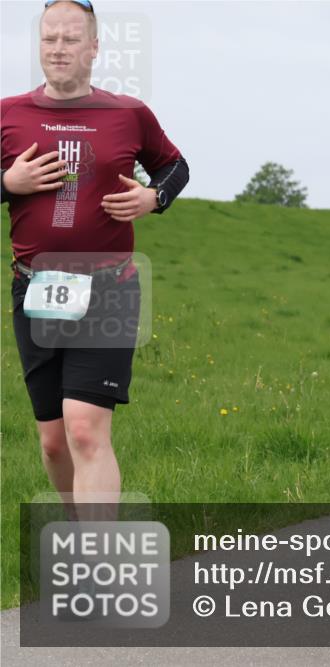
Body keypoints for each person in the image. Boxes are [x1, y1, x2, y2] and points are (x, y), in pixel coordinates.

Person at [1, 0, 189, 517]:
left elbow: (175, 166)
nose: (58, 48)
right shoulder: (8, 114)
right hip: (34, 290)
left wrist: (155, 198)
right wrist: (7, 183)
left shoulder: (127, 113)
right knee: (55, 442)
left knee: (86, 428)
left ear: (94, 47)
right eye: (49, 39)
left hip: (107, 288)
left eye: (70, 38)